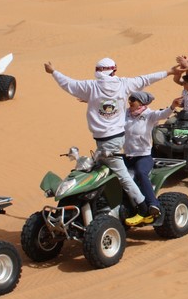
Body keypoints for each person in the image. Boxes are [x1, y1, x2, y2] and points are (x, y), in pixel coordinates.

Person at [44, 57, 180, 219]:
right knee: (95, 170)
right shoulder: (122, 87)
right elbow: (145, 79)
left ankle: (145, 207)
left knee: (124, 176)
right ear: (113, 71)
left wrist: (53, 72)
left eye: (134, 100)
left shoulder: (91, 87)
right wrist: (169, 72)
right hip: (110, 143)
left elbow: (68, 84)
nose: (130, 102)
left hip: (115, 145)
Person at [122, 90, 177, 226]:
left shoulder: (149, 115)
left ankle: (153, 204)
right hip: (127, 155)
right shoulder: (125, 114)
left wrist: (172, 106)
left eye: (133, 100)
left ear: (141, 102)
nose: (130, 102)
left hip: (143, 156)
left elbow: (163, 114)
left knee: (141, 173)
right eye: (129, 100)